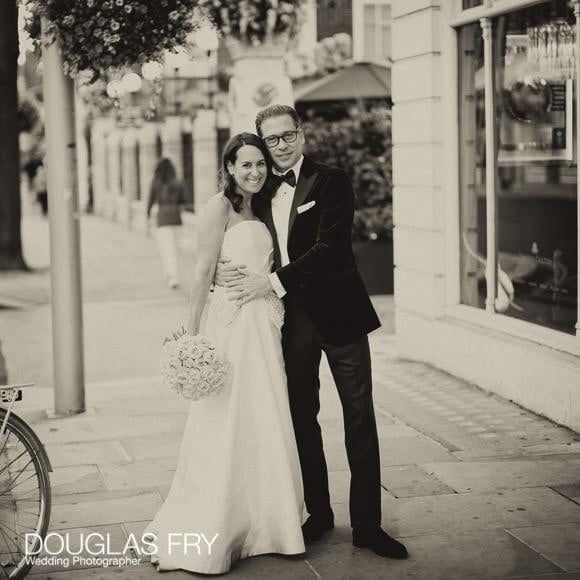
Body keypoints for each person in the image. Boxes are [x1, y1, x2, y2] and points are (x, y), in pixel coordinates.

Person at [216, 104, 408, 560]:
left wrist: (272, 282)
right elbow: (238, 238)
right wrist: (223, 271)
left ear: (301, 135)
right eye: (272, 141)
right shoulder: (258, 192)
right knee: (302, 417)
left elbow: (331, 248)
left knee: (359, 418)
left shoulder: (332, 180)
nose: (280, 147)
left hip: (341, 316)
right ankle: (318, 513)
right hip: (289, 323)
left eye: (288, 136)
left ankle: (368, 526)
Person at [144, 133, 305, 574]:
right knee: (228, 418)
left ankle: (272, 524)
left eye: (259, 164)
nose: (254, 171)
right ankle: (222, 525)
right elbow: (200, 271)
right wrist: (190, 337)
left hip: (265, 327)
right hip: (230, 327)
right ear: (229, 168)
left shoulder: (265, 204)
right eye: (245, 165)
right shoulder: (220, 206)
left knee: (266, 415)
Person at [147, 158, 184, 289]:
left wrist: (147, 217)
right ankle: (170, 274)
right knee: (174, 249)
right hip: (176, 219)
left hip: (162, 219)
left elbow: (150, 201)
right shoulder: (177, 182)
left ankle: (172, 276)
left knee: (166, 249)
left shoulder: (156, 182)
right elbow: (183, 201)